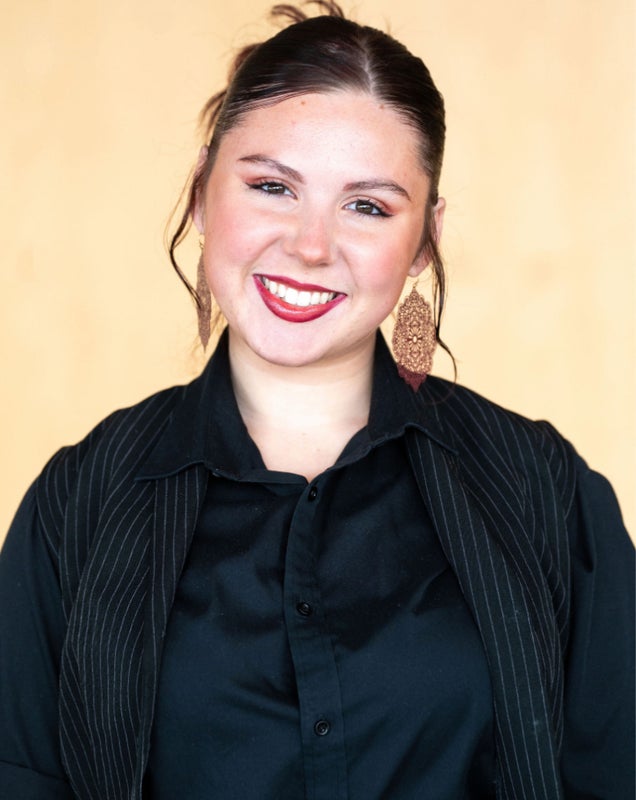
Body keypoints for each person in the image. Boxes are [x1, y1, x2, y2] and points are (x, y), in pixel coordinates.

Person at [0, 2, 633, 799]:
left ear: (425, 239)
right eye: (272, 187)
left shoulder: (541, 486)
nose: (309, 246)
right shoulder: (80, 501)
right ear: (200, 193)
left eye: (367, 206)